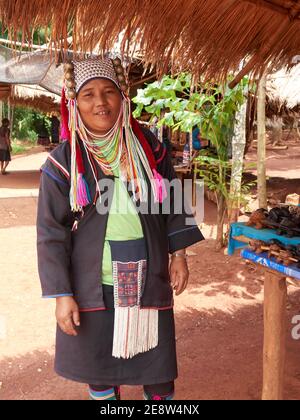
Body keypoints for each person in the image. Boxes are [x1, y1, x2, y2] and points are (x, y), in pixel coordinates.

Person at [37, 56, 204, 401]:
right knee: (100, 372)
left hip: (150, 276)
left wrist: (179, 255)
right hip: (93, 284)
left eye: (108, 91)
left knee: (158, 374)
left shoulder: (148, 147)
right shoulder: (63, 162)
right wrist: (61, 294)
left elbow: (172, 200)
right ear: (74, 103)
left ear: (122, 97)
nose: (100, 102)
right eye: (88, 94)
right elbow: (50, 234)